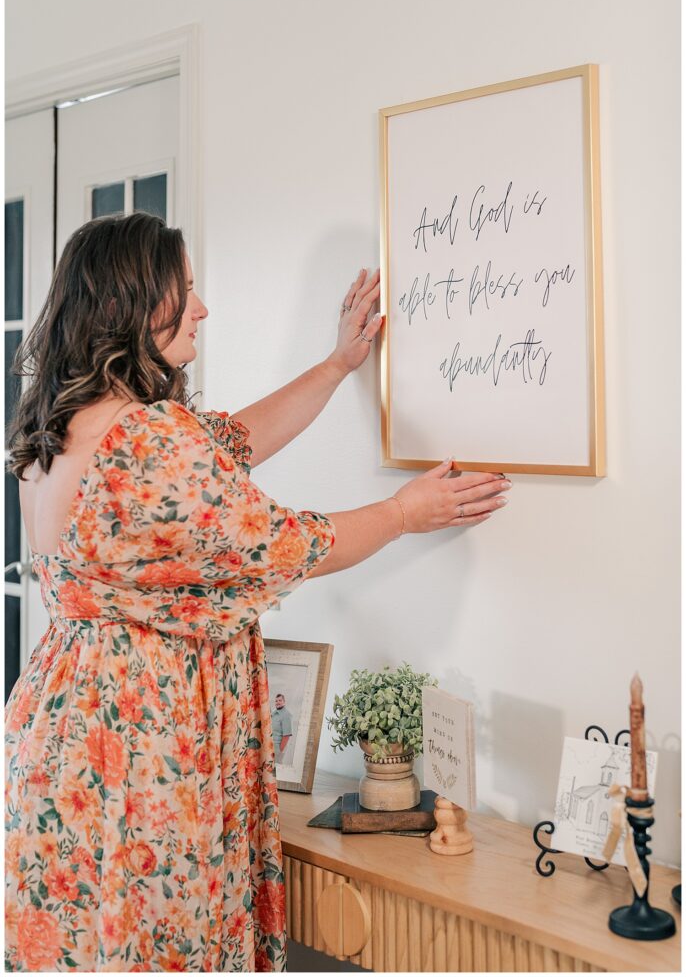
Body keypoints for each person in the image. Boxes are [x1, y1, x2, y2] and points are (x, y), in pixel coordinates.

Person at [4, 212, 510, 972]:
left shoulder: (62, 426)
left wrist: (338, 365)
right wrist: (407, 513)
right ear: (129, 307)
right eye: (186, 292)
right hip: (146, 737)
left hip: (64, 729)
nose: (202, 310)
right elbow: (286, 543)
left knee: (88, 939)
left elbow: (230, 443)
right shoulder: (149, 441)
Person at [270, 694, 293, 765]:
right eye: (276, 701)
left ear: (284, 702)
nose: (277, 702)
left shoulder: (286, 715)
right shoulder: (274, 713)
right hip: (270, 746)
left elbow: (286, 736)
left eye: (280, 700)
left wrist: (279, 751)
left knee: (276, 770)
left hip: (277, 748)